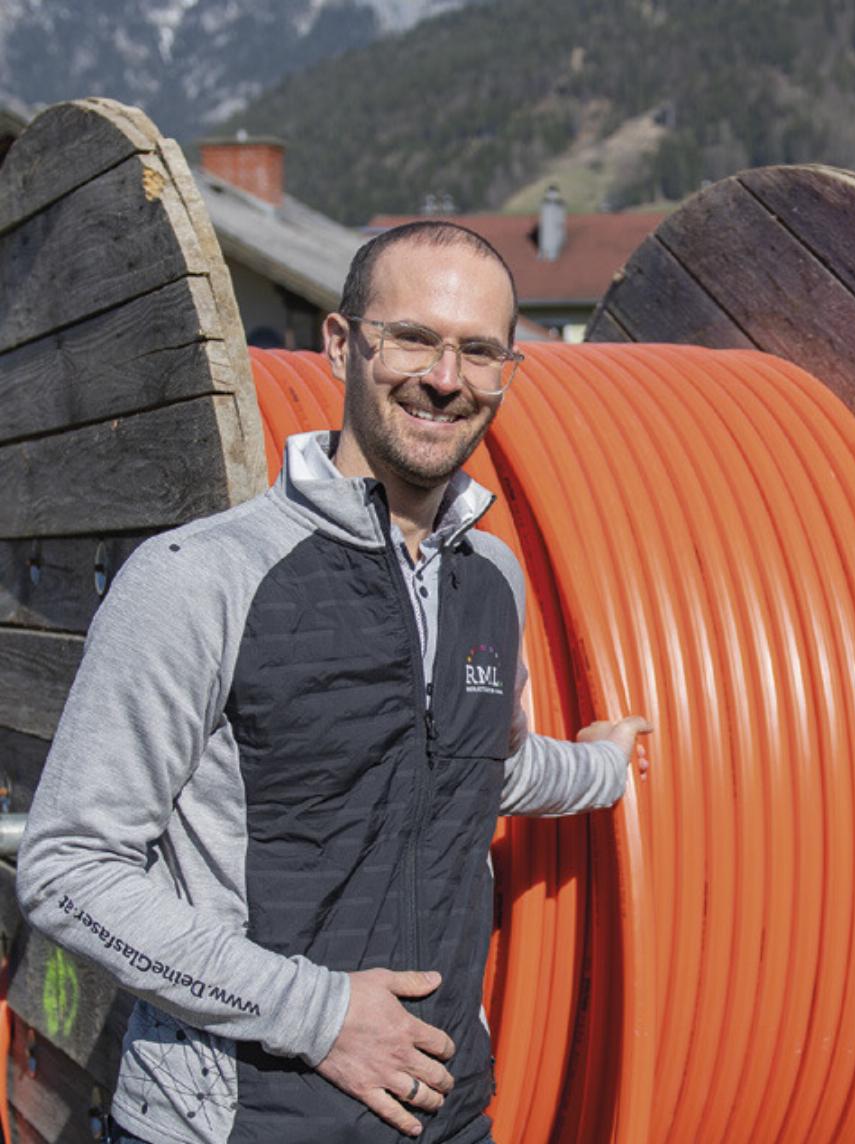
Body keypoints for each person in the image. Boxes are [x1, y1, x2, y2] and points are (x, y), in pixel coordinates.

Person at [16, 221, 651, 1144]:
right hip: (232, 1121)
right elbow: (68, 869)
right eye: (414, 338)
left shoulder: (491, 581)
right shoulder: (202, 578)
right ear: (342, 344)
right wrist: (317, 1015)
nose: (445, 376)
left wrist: (601, 767)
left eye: (479, 351)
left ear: (507, 371)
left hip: (445, 1112)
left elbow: (476, 770)